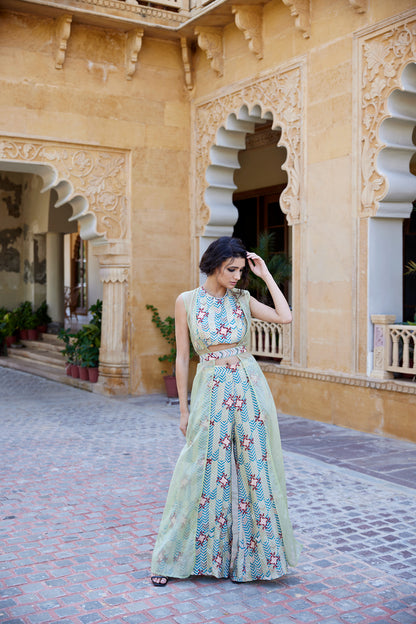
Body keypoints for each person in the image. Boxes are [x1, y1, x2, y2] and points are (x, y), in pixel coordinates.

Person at [150, 236, 301, 585]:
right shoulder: (186, 301)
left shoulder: (243, 299)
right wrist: (184, 411)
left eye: (239, 270)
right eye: (230, 270)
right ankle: (174, 559)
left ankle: (257, 563)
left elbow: (285, 316)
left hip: (248, 387)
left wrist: (264, 276)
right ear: (214, 265)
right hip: (211, 390)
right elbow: (181, 358)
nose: (236, 276)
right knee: (199, 471)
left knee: (256, 470)